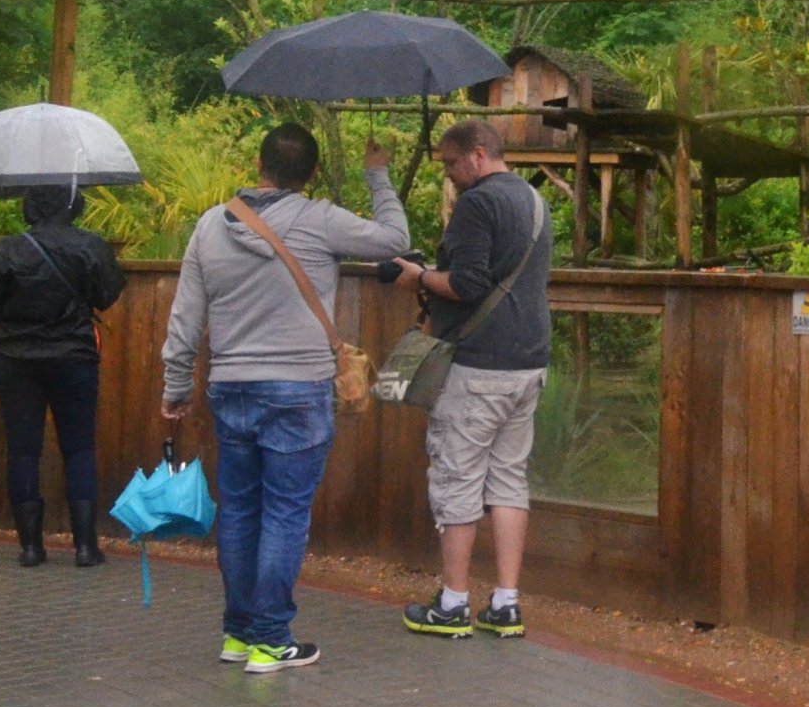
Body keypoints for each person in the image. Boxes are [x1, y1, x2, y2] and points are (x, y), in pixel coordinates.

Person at [163, 124, 409, 674]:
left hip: (231, 385)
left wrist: (175, 388)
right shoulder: (320, 219)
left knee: (241, 508)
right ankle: (272, 639)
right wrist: (377, 175)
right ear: (313, 174)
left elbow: (185, 319)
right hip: (297, 388)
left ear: (258, 165)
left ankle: (239, 632)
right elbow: (395, 240)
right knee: (284, 512)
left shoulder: (210, 225)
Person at [391, 119, 553, 640]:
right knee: (508, 478)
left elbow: (466, 284)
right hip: (529, 360)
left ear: (478, 155)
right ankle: (506, 603)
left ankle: (453, 604)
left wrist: (418, 277)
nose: (450, 175)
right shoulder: (533, 200)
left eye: (451, 164)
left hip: (480, 363)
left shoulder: (478, 204)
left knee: (457, 475)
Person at [0, 182, 128, 568]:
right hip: (74, 358)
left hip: (16, 359)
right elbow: (109, 294)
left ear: (30, 206)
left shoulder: (7, 249)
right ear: (74, 204)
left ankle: (29, 547)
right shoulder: (90, 246)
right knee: (78, 448)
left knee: (23, 450)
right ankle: (86, 547)